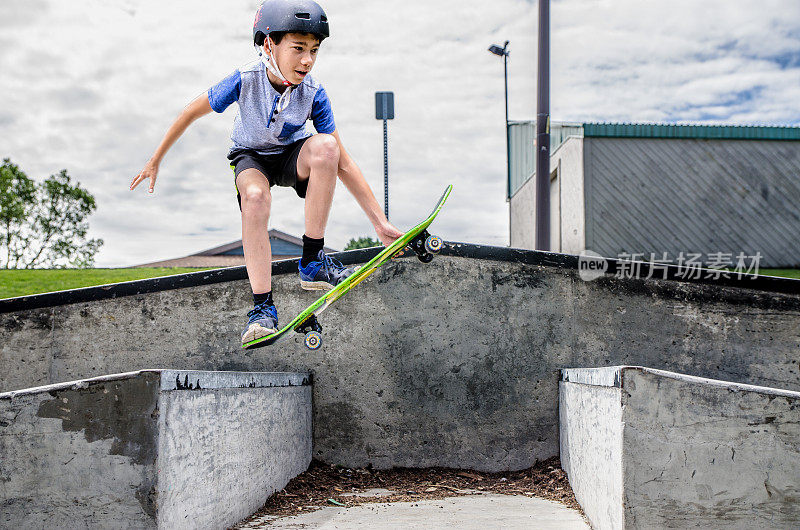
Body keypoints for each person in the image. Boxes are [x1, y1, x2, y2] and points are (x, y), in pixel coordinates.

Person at [130, 0, 403, 347]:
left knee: (328, 148)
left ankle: (312, 260)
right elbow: (190, 111)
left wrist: (379, 222)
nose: (307, 60)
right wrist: (155, 159)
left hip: (292, 156)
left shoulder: (314, 92)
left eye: (315, 51)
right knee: (256, 198)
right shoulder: (245, 79)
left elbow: (344, 163)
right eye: (299, 49)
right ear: (269, 44)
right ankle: (262, 309)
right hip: (251, 157)